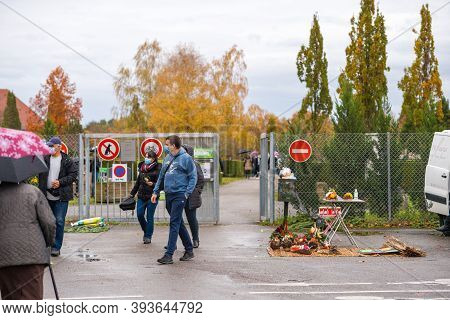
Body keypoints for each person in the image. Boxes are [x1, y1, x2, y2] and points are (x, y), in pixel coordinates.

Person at [0, 181, 56, 300]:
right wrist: (48, 244)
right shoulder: (33, 191)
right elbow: (49, 223)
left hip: (4, 256)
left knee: (10, 300)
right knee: (32, 298)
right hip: (32, 255)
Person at [151, 135, 197, 265]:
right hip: (169, 194)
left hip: (180, 195)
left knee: (174, 223)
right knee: (178, 223)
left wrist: (186, 193)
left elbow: (193, 177)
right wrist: (155, 192)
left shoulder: (186, 159)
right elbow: (161, 176)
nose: (166, 146)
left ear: (174, 145)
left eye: (168, 144)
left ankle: (169, 254)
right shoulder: (168, 157)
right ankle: (189, 250)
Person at [38, 136, 77, 257]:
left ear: (59, 146)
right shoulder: (44, 159)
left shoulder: (67, 160)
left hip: (61, 196)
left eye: (52, 146)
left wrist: (60, 182)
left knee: (59, 221)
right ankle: (47, 245)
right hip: (46, 195)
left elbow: (73, 175)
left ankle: (56, 247)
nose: (50, 148)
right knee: (47, 221)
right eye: (48, 146)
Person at [130, 149, 161, 244]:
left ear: (154, 158)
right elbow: (138, 182)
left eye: (149, 157)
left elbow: (160, 183)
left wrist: (153, 184)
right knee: (139, 214)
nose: (146, 158)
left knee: (149, 216)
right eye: (146, 156)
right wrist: (132, 193)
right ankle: (146, 230)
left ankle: (148, 236)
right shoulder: (142, 167)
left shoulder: (158, 168)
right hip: (141, 195)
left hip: (152, 196)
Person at [182, 145, 204, 248]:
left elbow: (200, 180)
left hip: (191, 197)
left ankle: (195, 239)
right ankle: (173, 244)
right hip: (179, 195)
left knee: (191, 219)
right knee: (176, 219)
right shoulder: (178, 163)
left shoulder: (195, 164)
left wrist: (196, 192)